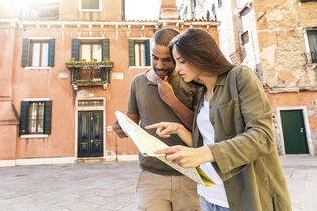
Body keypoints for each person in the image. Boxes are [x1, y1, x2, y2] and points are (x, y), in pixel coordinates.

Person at [146, 28, 292, 211]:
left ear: (201, 55)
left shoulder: (240, 77)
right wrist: (180, 130)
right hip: (208, 196)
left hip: (242, 199)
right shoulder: (201, 95)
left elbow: (263, 137)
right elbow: (209, 143)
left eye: (182, 61)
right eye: (176, 62)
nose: (177, 68)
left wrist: (202, 154)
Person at [113, 28, 201, 211]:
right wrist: (123, 129)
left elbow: (201, 129)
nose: (159, 65)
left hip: (190, 175)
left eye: (167, 59)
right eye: (155, 57)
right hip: (151, 176)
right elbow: (132, 124)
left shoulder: (193, 82)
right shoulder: (137, 82)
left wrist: (172, 100)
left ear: (178, 56)